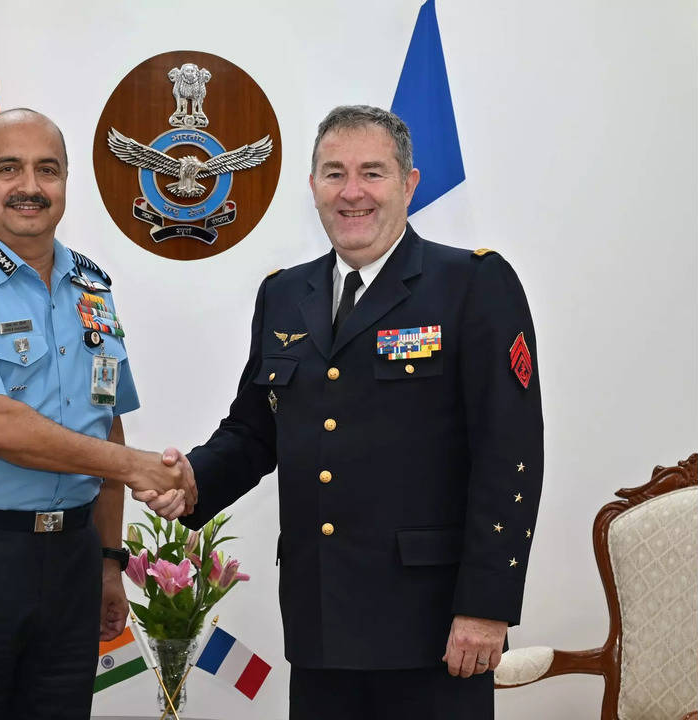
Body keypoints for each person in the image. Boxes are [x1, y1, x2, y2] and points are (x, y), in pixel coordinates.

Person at [142, 105, 544, 718]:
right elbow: (255, 430)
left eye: (372, 173)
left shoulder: (471, 284)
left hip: (434, 627)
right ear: (312, 187)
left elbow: (510, 454)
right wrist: (194, 481)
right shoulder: (283, 293)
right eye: (334, 173)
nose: (352, 192)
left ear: (409, 185)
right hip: (320, 618)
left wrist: (486, 605)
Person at [0, 108, 192, 720]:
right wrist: (136, 466)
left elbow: (104, 419)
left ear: (64, 184)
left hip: (70, 563)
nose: (30, 185)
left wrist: (109, 562)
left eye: (47, 170)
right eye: (9, 168)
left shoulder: (92, 290)